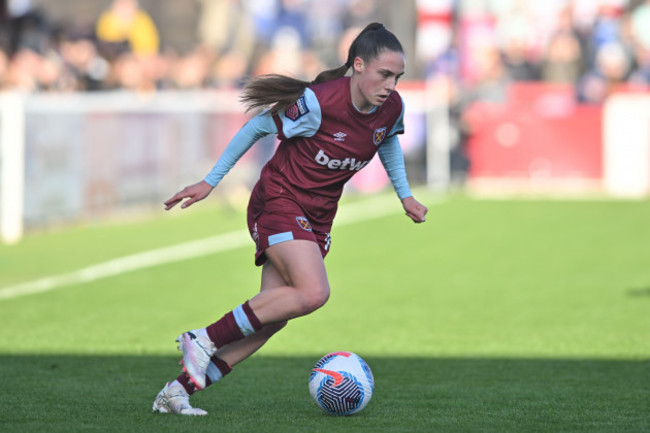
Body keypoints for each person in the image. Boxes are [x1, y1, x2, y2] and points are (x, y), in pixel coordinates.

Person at [152, 22, 428, 416]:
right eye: (384, 74)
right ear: (358, 65)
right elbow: (257, 127)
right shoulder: (318, 102)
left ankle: (176, 393)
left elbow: (387, 142)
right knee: (314, 293)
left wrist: (405, 195)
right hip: (278, 201)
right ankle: (203, 338)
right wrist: (211, 182)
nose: (391, 85)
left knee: (272, 317)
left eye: (398, 77)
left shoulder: (391, 108)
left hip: (317, 216)